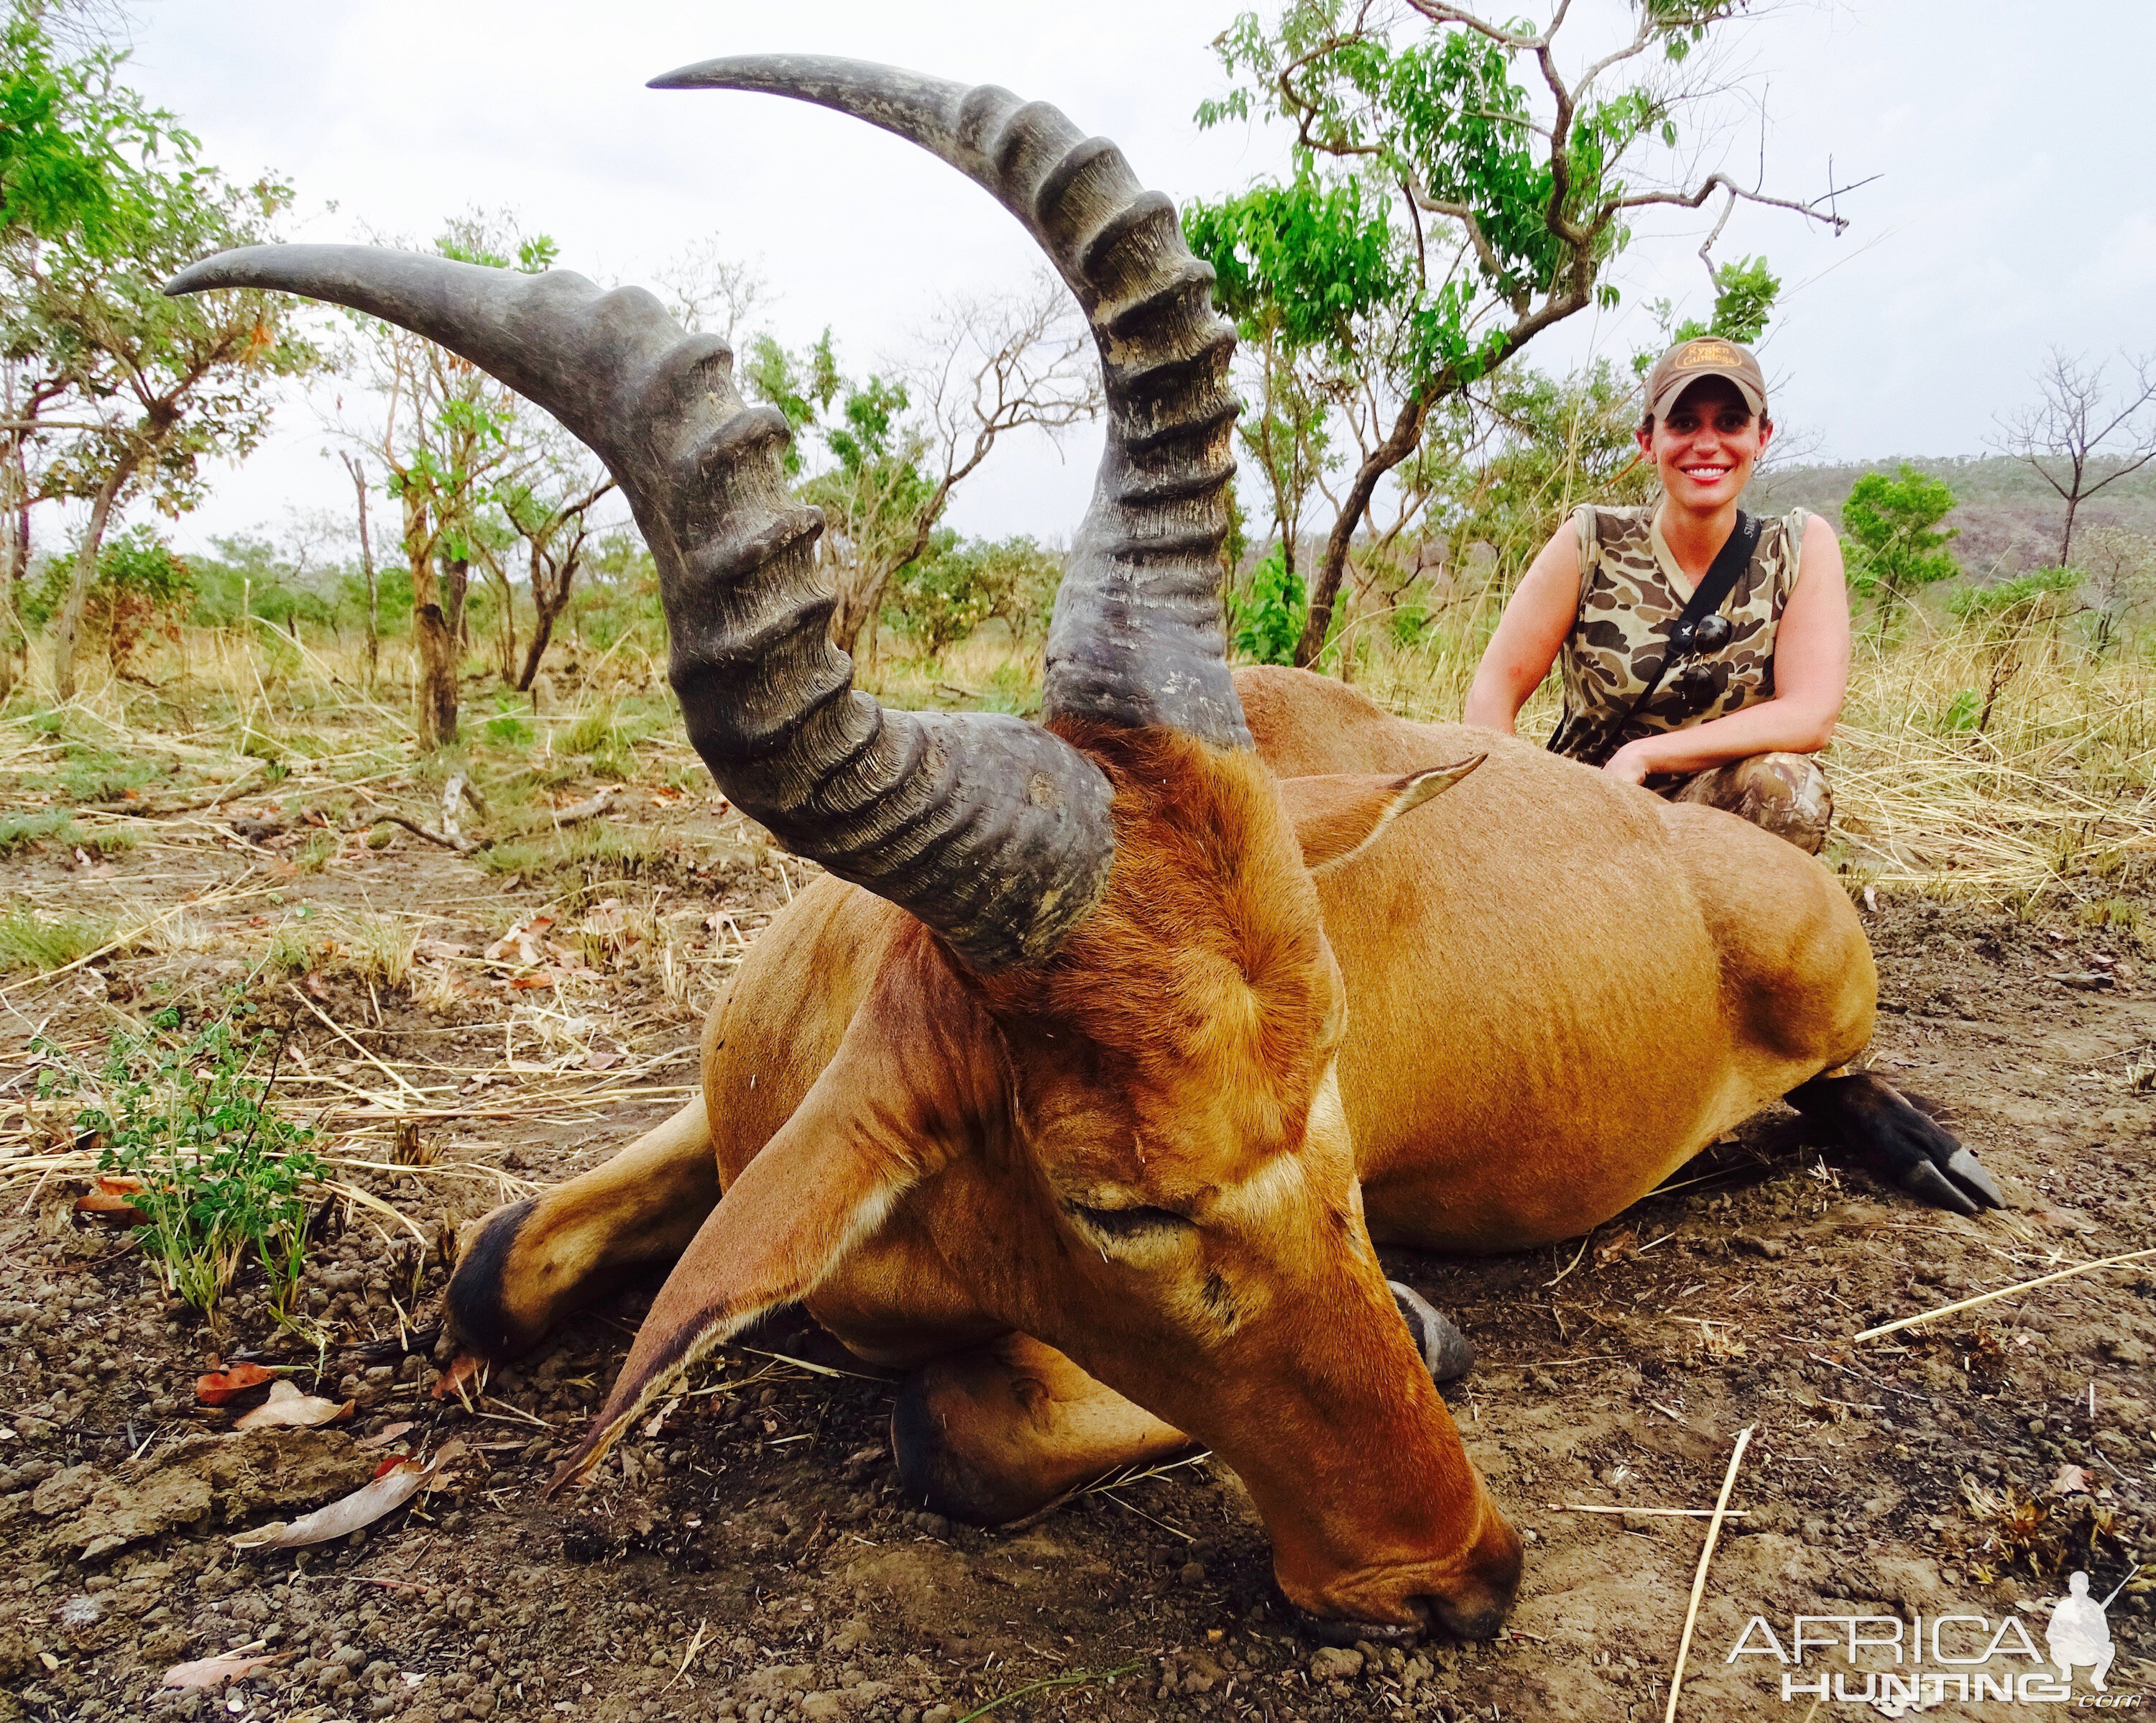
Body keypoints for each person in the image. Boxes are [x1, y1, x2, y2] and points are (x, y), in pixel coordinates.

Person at [1461, 336, 1850, 854]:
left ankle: (1727, 932)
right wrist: (1513, 813)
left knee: (1787, 790)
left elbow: (1810, 713)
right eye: (1684, 423)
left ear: (1763, 436)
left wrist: (1647, 755)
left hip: (1713, 823)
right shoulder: (1590, 541)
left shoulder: (1799, 548)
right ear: (1648, 441)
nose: (1707, 443)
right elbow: (1492, 693)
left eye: (1730, 422)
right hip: (1590, 811)